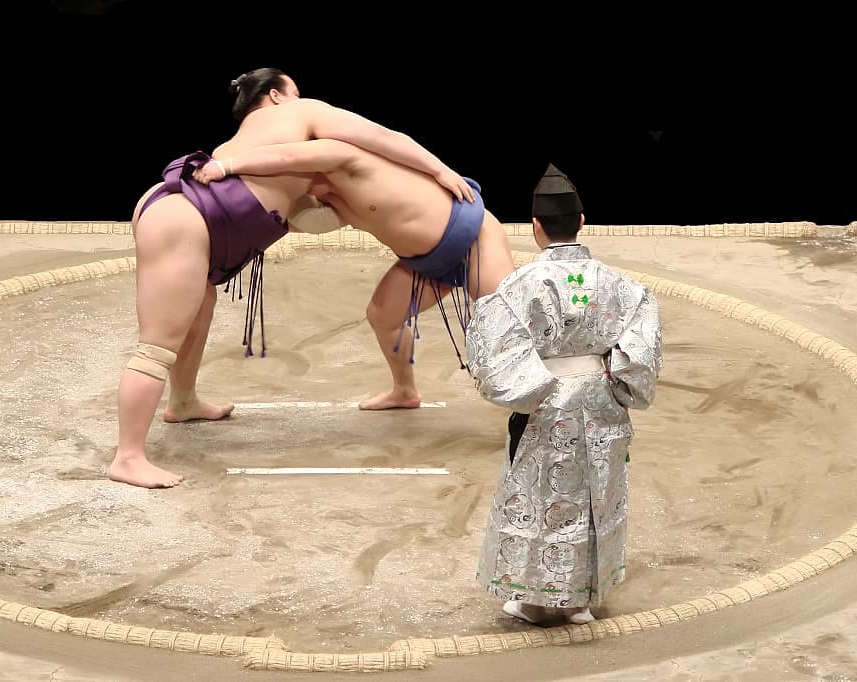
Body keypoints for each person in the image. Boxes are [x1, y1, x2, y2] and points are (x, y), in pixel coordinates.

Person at [110, 67, 476, 489]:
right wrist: (440, 170)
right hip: (184, 222)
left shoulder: (244, 140)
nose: (302, 98)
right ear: (276, 94)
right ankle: (128, 457)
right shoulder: (299, 112)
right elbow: (386, 138)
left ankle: (183, 401)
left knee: (199, 306)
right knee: (157, 347)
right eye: (296, 91)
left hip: (182, 215)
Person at [463, 164, 663, 626]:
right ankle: (580, 602)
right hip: (603, 399)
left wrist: (532, 389)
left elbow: (494, 351)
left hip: (547, 402)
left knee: (544, 498)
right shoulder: (621, 286)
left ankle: (537, 602)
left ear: (535, 227)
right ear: (581, 221)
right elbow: (641, 346)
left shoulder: (517, 287)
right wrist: (613, 378)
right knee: (595, 497)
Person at [191, 139, 517, 411]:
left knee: (509, 325)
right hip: (425, 263)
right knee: (383, 316)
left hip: (472, 237)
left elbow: (285, 155)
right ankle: (405, 391)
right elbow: (268, 217)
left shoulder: (345, 157)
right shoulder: (325, 205)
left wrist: (226, 165)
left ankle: (541, 405)